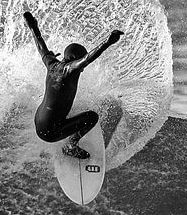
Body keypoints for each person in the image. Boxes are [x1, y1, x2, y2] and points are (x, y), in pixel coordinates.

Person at [23, 11, 124, 158]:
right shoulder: (69, 70)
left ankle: (60, 128)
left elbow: (40, 45)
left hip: (38, 121)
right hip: (49, 132)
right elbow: (89, 58)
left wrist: (32, 26)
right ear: (74, 60)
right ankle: (71, 146)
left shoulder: (51, 63)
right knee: (92, 117)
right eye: (80, 62)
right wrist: (108, 42)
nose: (82, 68)